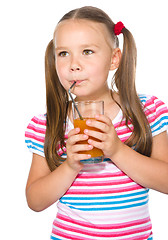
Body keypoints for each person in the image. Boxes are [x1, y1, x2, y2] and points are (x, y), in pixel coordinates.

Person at [25, 6, 168, 240]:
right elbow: (35, 200)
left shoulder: (146, 111)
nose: (74, 64)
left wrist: (117, 150)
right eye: (63, 54)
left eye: (87, 51)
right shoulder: (47, 125)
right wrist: (70, 165)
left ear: (114, 59)